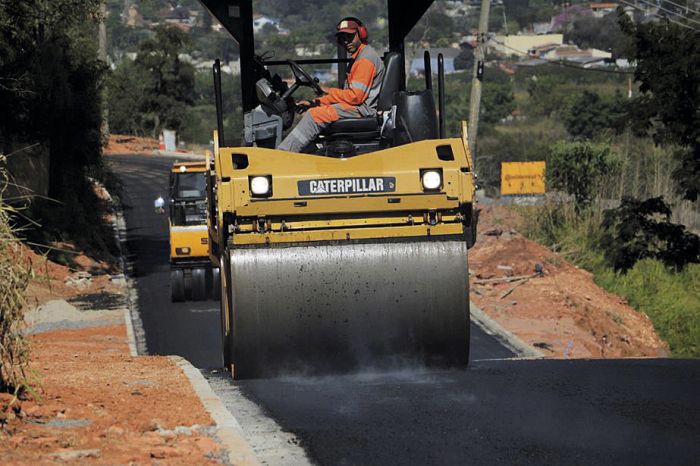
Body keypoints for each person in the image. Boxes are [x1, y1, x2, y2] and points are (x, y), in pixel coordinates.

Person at [278, 17, 385, 153]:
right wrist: (315, 103)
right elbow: (346, 96)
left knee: (315, 116)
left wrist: (328, 92)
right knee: (313, 111)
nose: (346, 41)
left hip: (364, 110)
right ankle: (307, 155)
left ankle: (283, 154)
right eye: (342, 37)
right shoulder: (359, 57)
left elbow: (355, 97)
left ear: (361, 34)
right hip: (358, 107)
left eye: (350, 36)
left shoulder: (365, 60)